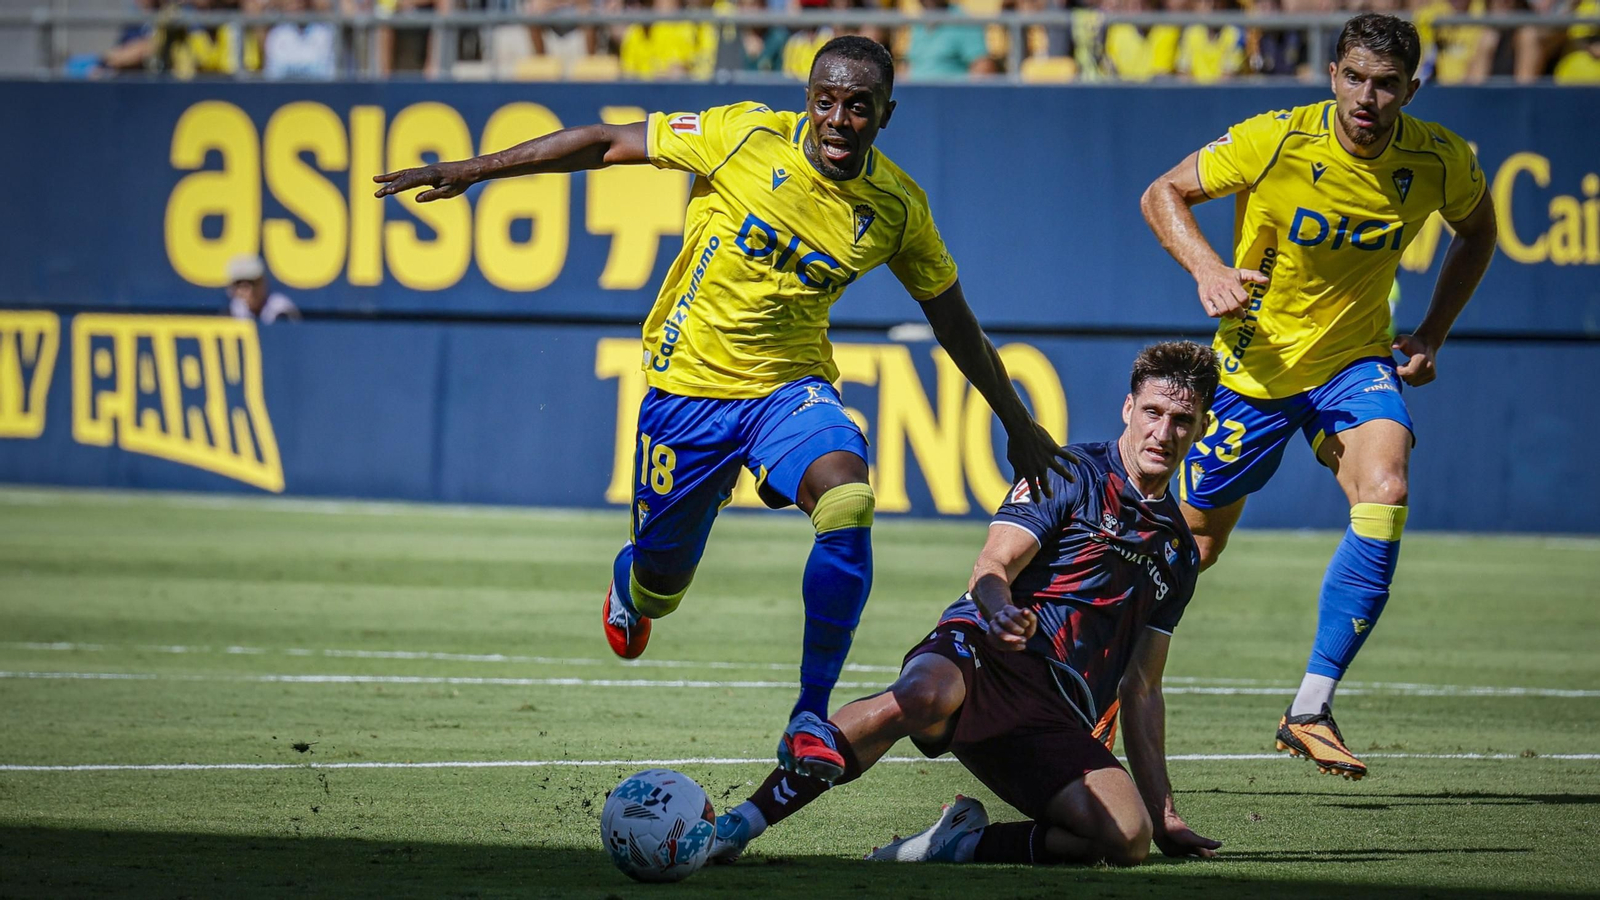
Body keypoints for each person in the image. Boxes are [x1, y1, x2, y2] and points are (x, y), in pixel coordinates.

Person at [373, 35, 1069, 778]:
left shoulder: (896, 209)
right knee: (660, 587)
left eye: (858, 107)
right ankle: (633, 586)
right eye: (826, 101)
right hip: (688, 394)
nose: (839, 119)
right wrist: (475, 170)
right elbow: (608, 142)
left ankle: (809, 714)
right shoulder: (742, 136)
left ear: (884, 115)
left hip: (788, 389)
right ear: (808, 101)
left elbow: (952, 320)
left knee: (848, 498)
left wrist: (1017, 421)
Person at [1139, 12, 1497, 780]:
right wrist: (1208, 269)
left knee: (1386, 486)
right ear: (1334, 74)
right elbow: (1162, 192)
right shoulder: (1277, 138)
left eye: (1388, 84)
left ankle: (1309, 707)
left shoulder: (1440, 159)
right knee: (1192, 546)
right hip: (1254, 373)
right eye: (1356, 78)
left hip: (1354, 364)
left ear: (1412, 88)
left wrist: (1432, 331)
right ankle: (1097, 678)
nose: (1369, 97)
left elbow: (1479, 230)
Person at [709, 341, 1222, 867]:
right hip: (985, 652)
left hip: (1055, 713)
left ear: (1202, 427)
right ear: (1128, 409)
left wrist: (1164, 816)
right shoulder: (1069, 472)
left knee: (1126, 840)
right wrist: (1000, 610)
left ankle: (960, 843)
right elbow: (991, 568)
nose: (1163, 433)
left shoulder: (1179, 553)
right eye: (1153, 413)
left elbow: (1142, 688)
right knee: (923, 695)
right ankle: (737, 826)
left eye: (1182, 420)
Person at [223, 255, 301, 324]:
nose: (249, 291)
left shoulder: (280, 308)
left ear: (263, 283)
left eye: (253, 283)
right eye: (241, 285)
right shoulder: (232, 311)